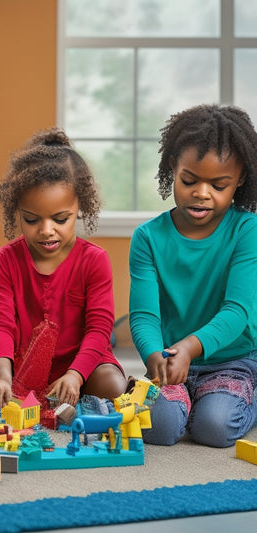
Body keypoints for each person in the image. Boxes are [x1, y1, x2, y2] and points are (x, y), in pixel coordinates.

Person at [129, 103, 257, 448]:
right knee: (158, 428)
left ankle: (250, 393)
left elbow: (237, 311)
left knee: (213, 428)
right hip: (172, 360)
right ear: (173, 167)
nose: (202, 193)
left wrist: (190, 347)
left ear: (240, 179)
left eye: (219, 185)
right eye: (189, 180)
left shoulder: (247, 230)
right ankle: (186, 397)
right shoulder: (148, 238)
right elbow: (143, 315)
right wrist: (155, 356)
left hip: (231, 359)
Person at [0, 127, 127, 410]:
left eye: (60, 219)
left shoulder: (94, 260)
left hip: (83, 366)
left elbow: (99, 329)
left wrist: (75, 375)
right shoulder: (5, 260)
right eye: (32, 219)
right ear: (18, 211)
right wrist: (2, 376)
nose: (46, 231)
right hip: (26, 366)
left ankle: (70, 394)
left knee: (112, 386)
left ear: (80, 207)